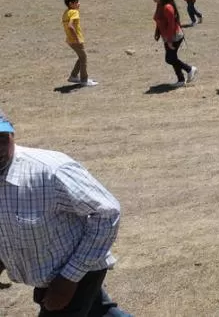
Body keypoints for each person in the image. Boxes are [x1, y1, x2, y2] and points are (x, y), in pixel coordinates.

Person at [0, 110, 131, 317]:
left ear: (13, 136)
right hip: (51, 273)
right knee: (99, 313)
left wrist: (68, 280)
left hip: (77, 272)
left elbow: (107, 213)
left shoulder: (50, 171)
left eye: (1, 139)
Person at [153, 0, 197, 87]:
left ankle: (190, 69)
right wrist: (157, 32)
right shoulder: (159, 5)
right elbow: (159, 20)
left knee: (170, 59)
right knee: (172, 58)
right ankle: (181, 79)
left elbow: (171, 25)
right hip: (167, 36)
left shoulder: (167, 7)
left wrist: (169, 40)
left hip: (174, 37)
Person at [62, 0, 97, 87]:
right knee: (84, 58)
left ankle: (73, 76)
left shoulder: (66, 12)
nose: (79, 4)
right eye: (76, 2)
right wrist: (77, 38)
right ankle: (84, 80)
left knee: (81, 57)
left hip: (69, 39)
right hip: (75, 40)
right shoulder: (74, 12)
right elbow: (70, 26)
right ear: (71, 3)